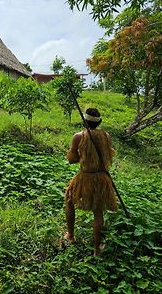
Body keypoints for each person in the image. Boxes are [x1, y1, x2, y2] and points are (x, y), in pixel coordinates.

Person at [64, 108, 118, 256]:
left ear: (84, 121)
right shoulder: (106, 136)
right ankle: (96, 250)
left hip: (86, 176)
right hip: (102, 177)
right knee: (98, 212)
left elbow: (72, 159)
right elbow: (107, 156)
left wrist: (78, 155)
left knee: (69, 200)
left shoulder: (78, 136)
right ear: (98, 122)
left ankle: (71, 235)